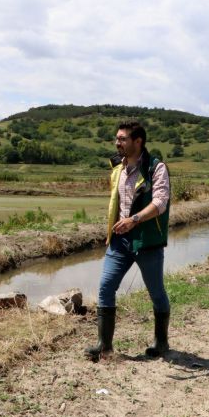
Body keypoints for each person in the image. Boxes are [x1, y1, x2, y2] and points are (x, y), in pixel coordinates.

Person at [86, 121, 171, 362]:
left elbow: (160, 203)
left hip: (147, 240)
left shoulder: (156, 168)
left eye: (122, 139)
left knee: (156, 292)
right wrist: (112, 229)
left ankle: (161, 343)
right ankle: (104, 346)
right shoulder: (117, 168)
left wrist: (134, 220)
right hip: (120, 241)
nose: (117, 143)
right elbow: (116, 202)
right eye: (117, 138)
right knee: (105, 287)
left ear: (138, 141)